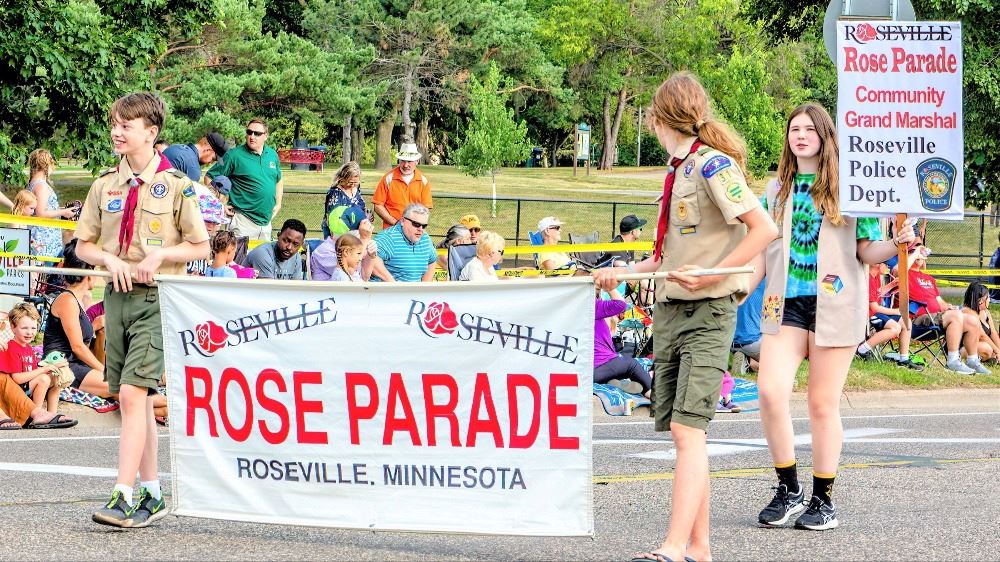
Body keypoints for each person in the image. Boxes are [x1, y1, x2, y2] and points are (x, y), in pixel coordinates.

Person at [592, 71, 777, 562]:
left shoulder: (713, 166)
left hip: (709, 311)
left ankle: (673, 547)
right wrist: (624, 271)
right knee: (680, 429)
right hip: (671, 309)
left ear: (659, 117)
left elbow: (764, 228)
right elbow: (667, 257)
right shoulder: (677, 171)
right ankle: (699, 547)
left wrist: (713, 273)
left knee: (687, 430)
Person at [750, 102, 915, 532]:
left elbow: (867, 252)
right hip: (783, 304)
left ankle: (823, 499)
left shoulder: (850, 190)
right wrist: (728, 296)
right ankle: (789, 489)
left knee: (821, 404)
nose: (799, 135)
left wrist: (898, 244)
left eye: (809, 129)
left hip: (835, 307)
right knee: (769, 391)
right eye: (793, 129)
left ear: (825, 136)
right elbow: (763, 256)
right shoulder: (776, 192)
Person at [74, 92, 210, 528]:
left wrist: (158, 257)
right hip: (116, 298)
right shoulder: (104, 185)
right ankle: (152, 493)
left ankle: (123, 493)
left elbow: (201, 244)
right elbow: (84, 244)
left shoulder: (175, 186)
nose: (116, 131)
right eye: (114, 123)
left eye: (126, 125)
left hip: (158, 299)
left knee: (133, 394)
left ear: (150, 133)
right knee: (136, 397)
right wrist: (110, 260)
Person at [43, 240, 111, 398]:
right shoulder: (67, 300)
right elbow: (77, 347)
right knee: (121, 388)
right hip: (64, 365)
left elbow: (83, 342)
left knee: (131, 391)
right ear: (89, 273)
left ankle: (163, 409)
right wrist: (104, 371)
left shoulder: (81, 299)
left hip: (76, 363)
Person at [905, 246, 986, 375]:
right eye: (915, 250)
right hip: (918, 320)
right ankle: (952, 361)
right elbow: (898, 270)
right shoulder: (906, 274)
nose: (920, 253)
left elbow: (939, 301)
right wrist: (915, 254)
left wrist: (948, 306)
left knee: (972, 319)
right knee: (955, 316)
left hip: (938, 318)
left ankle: (972, 360)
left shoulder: (929, 279)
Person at [206, 119, 283, 240]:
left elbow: (278, 180)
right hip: (241, 221)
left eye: (257, 133)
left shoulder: (272, 155)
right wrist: (219, 204)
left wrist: (278, 204)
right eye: (249, 132)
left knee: (261, 259)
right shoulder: (234, 155)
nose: (252, 136)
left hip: (266, 223)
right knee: (238, 259)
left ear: (266, 136)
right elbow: (209, 177)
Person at [593, 284, 652, 397]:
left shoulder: (572, 309)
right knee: (632, 364)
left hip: (588, 371)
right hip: (599, 366)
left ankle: (613, 383)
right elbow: (620, 304)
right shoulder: (592, 307)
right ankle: (651, 394)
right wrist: (609, 287)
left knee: (618, 366)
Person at [1, 304, 60, 413]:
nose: (29, 332)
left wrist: (49, 371)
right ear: (13, 327)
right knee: (43, 379)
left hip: (26, 389)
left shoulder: (28, 348)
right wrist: (43, 370)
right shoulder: (11, 347)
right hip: (15, 394)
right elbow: (17, 378)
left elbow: (32, 373)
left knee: (56, 378)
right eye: (24, 328)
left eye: (33, 328)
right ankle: (36, 414)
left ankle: (52, 414)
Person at [26, 149, 77, 259]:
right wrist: (63, 212)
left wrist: (61, 209)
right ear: (46, 165)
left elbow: (43, 207)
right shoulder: (41, 186)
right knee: (48, 271)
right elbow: (40, 213)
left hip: (41, 237)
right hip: (44, 239)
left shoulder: (33, 183)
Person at [855, 263, 909, 366]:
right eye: (886, 264)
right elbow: (874, 307)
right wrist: (897, 311)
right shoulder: (868, 279)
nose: (888, 267)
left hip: (875, 313)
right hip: (868, 315)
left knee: (906, 322)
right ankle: (861, 350)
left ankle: (904, 358)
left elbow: (877, 293)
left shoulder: (875, 277)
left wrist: (891, 285)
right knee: (895, 328)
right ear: (877, 265)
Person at [372, 140, 432, 229]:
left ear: (417, 161)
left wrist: (415, 226)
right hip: (391, 229)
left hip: (414, 229)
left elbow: (425, 209)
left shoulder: (423, 181)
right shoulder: (388, 178)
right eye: (403, 161)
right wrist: (395, 222)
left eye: (409, 161)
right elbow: (378, 205)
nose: (405, 165)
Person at [369, 203, 437, 282]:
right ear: (403, 221)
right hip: (386, 292)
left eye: (424, 226)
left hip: (414, 293)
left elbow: (432, 260)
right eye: (416, 224)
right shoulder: (389, 237)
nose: (420, 229)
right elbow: (372, 259)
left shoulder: (425, 239)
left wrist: (425, 289)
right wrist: (393, 284)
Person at [310, 206, 375, 281]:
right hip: (330, 292)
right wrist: (364, 239)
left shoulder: (352, 250)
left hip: (349, 291)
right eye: (360, 230)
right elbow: (350, 271)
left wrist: (371, 256)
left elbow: (364, 277)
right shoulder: (323, 252)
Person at [187, 192, 229, 275]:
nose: (211, 226)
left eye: (215, 222)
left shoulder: (209, 242)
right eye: (207, 221)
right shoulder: (184, 239)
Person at [161, 132, 228, 182]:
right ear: (208, 150)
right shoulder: (193, 169)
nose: (210, 162)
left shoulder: (176, 146)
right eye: (213, 159)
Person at [322, 162, 364, 238]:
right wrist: (333, 233)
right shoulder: (336, 193)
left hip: (354, 230)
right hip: (338, 231)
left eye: (356, 182)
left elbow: (360, 205)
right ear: (343, 179)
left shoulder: (356, 187)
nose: (353, 185)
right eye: (350, 182)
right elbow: (332, 216)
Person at [961, 281, 1000, 365]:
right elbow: (981, 336)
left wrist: (999, 350)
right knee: (987, 348)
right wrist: (997, 350)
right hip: (962, 347)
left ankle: (991, 357)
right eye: (988, 297)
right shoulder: (968, 313)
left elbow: (993, 333)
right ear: (981, 300)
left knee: (991, 347)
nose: (989, 300)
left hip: (982, 344)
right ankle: (989, 356)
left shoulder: (985, 312)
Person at [730, 281, 764, 376]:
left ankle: (747, 360)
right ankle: (754, 364)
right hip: (754, 343)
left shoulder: (737, 278)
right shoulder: (770, 282)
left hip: (728, 342)